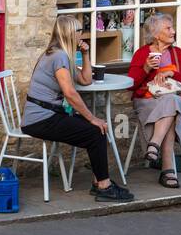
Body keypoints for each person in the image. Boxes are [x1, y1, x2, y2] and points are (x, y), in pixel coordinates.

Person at [20, 16, 134, 202]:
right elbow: (70, 93)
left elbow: (86, 80)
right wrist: (91, 118)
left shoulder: (61, 54)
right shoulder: (59, 56)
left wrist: (86, 54)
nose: (81, 34)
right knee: (95, 131)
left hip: (48, 114)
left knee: (98, 130)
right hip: (40, 119)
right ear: (70, 33)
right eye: (79, 30)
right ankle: (104, 187)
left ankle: (100, 183)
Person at [127, 13, 181, 189]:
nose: (173, 31)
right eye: (168, 28)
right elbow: (132, 84)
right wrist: (146, 68)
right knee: (173, 110)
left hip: (171, 99)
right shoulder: (142, 53)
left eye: (172, 27)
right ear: (156, 34)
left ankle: (154, 144)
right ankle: (168, 171)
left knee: (172, 101)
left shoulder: (176, 52)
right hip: (146, 101)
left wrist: (172, 73)